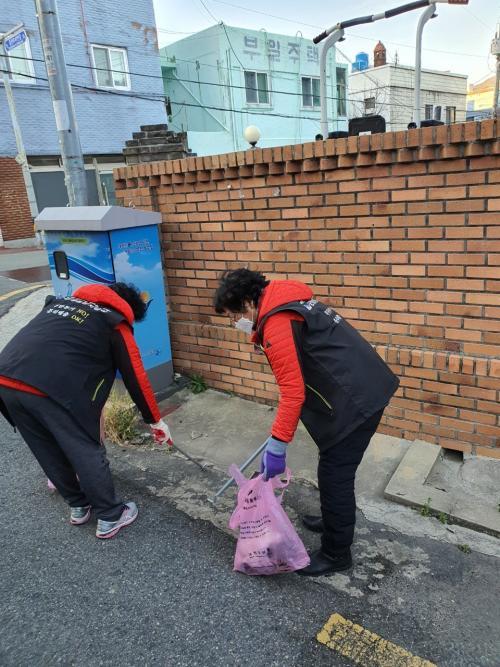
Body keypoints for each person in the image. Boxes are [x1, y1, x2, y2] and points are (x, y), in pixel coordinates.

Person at [214, 269, 399, 576]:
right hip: (362, 386)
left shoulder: (278, 321)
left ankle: (336, 553)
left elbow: (292, 390)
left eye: (235, 315)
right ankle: (333, 520)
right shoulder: (288, 303)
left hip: (358, 400)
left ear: (248, 302)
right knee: (332, 465)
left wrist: (277, 446)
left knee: (335, 474)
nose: (236, 323)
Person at [0, 282, 172, 539]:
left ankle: (78, 506)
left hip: (6, 379)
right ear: (128, 308)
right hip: (52, 390)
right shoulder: (114, 323)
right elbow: (136, 377)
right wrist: (156, 421)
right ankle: (111, 515)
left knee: (46, 447)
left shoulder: (58, 304)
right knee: (85, 448)